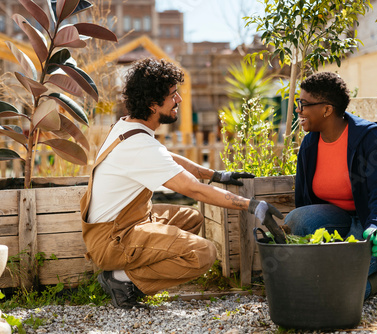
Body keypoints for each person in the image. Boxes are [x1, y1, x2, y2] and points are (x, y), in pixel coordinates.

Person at [80, 58, 282, 309]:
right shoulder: (139, 146)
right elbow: (192, 189)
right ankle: (121, 279)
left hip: (122, 225)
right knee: (203, 254)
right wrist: (253, 205)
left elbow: (166, 156)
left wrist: (216, 175)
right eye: (173, 95)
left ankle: (130, 276)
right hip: (112, 239)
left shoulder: (130, 128)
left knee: (191, 219)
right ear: (153, 105)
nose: (180, 100)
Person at [284, 72, 377, 300]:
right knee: (296, 221)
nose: (298, 109)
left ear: (327, 110)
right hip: (337, 218)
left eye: (303, 104)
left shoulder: (369, 139)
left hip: (371, 224)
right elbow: (304, 203)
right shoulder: (310, 144)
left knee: (339, 285)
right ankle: (371, 269)